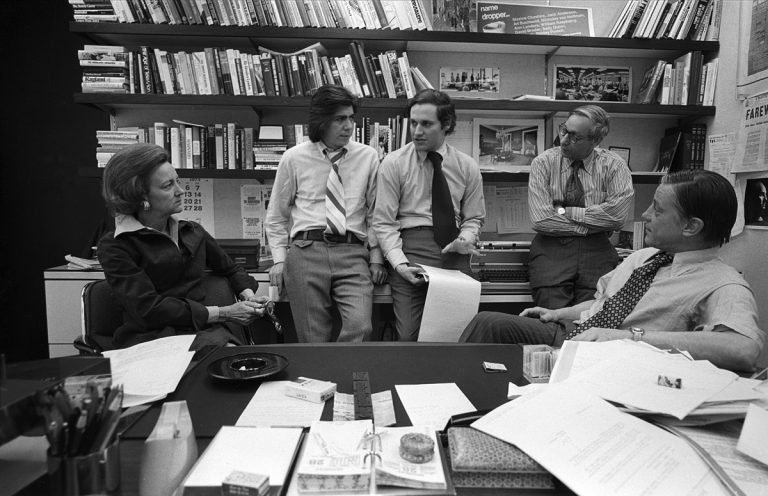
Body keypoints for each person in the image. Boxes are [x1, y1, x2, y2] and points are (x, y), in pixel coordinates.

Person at [461, 170, 764, 372]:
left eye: (657, 210)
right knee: (489, 323)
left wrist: (630, 338)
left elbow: (743, 349)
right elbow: (605, 303)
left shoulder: (724, 285)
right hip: (574, 332)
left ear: (691, 226)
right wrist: (560, 314)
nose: (645, 215)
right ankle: (446, 398)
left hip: (611, 360)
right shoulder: (645, 257)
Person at [98, 143, 268, 349]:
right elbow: (149, 310)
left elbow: (231, 269)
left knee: (234, 363)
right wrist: (226, 313)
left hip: (202, 331)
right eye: (168, 186)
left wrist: (249, 296)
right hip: (151, 339)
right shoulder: (116, 246)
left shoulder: (192, 231)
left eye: (177, 182)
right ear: (139, 194)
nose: (181, 191)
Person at [264, 85, 386, 342]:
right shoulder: (293, 158)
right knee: (312, 337)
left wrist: (376, 257)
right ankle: (322, 381)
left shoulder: (368, 156)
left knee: (361, 326)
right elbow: (276, 215)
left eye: (351, 118)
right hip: (307, 250)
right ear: (321, 121)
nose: (349, 126)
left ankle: (343, 378)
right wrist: (278, 259)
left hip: (353, 253)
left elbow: (375, 213)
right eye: (340, 119)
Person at [373, 89, 485, 341]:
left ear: (446, 125)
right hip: (410, 250)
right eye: (413, 123)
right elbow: (383, 223)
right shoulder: (394, 163)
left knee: (456, 336)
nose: (417, 131)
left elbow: (474, 217)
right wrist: (400, 265)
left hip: (454, 252)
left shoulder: (467, 166)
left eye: (426, 124)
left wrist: (466, 238)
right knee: (410, 337)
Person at [528, 105, 633, 310]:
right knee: (550, 318)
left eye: (575, 137)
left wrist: (565, 211)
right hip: (551, 251)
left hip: (598, 252)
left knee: (591, 317)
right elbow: (540, 219)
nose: (564, 140)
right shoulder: (544, 163)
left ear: (596, 140)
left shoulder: (614, 166)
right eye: (563, 130)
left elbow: (617, 217)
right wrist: (591, 225)